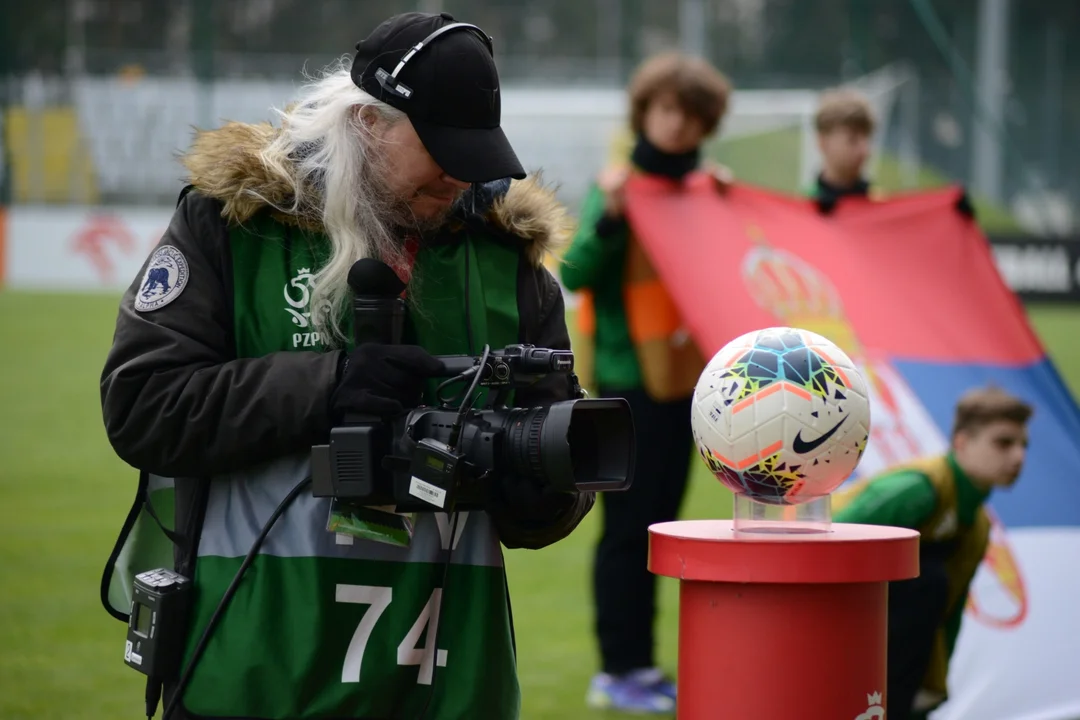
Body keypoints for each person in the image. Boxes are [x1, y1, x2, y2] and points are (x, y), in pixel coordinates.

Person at [99, 12, 594, 720]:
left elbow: (549, 505)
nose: (461, 174)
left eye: (476, 150)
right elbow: (142, 406)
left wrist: (537, 482)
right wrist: (327, 385)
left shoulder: (508, 265)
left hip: (452, 690)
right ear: (367, 123)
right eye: (443, 148)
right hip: (251, 676)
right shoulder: (233, 226)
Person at [560, 52, 732, 714]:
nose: (678, 128)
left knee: (663, 526)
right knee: (628, 530)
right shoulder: (620, 186)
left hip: (686, 384)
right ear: (645, 113)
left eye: (692, 117)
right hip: (627, 385)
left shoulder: (705, 190)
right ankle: (618, 668)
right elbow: (574, 272)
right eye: (667, 112)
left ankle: (643, 665)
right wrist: (613, 217)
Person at [833, 386, 1033, 720]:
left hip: (886, 653)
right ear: (962, 443)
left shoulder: (977, 525)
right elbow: (824, 546)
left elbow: (949, 614)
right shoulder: (917, 490)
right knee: (927, 582)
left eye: (1023, 445)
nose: (1018, 457)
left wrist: (932, 688)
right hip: (838, 633)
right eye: (1003, 443)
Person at [807, 87, 882, 207]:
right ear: (822, 142)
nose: (865, 151)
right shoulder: (803, 208)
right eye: (852, 140)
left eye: (867, 139)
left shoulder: (881, 206)